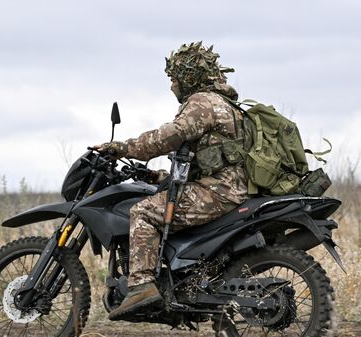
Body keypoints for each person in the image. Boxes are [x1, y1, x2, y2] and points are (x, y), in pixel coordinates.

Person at [94, 41, 249, 321]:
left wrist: (123, 147)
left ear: (189, 77)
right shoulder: (224, 103)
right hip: (223, 187)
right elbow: (205, 162)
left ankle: (141, 286)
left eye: (174, 78)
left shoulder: (202, 102)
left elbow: (171, 136)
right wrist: (158, 176)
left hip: (217, 192)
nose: (171, 86)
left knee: (142, 211)